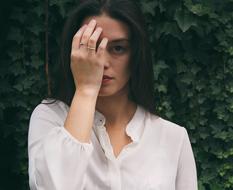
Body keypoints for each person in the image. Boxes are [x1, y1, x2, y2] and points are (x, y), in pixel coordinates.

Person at [27, 0, 198, 189]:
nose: (102, 62)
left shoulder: (172, 137)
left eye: (118, 48)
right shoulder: (50, 118)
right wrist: (85, 91)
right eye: (90, 47)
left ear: (136, 54)